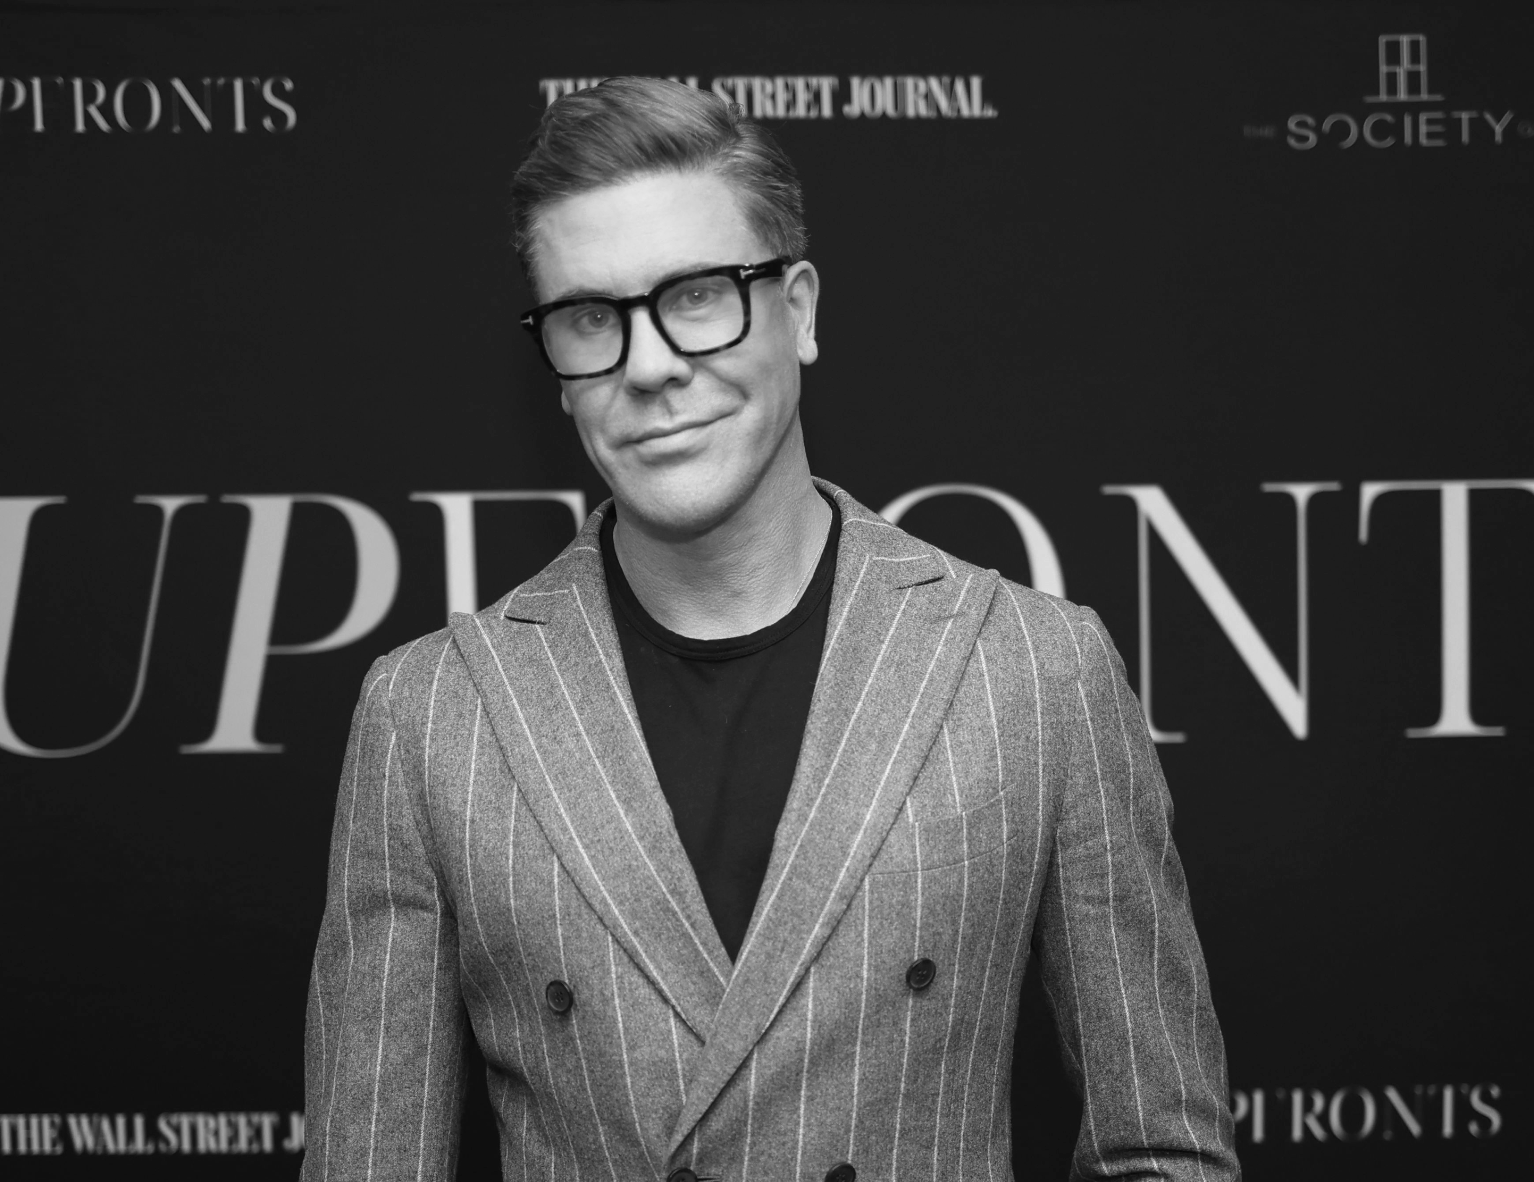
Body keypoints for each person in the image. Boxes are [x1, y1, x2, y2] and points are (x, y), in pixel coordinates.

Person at [302, 76, 1237, 1182]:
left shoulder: (1033, 669)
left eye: (699, 294)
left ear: (798, 310)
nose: (648, 365)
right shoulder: (429, 715)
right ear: (553, 367)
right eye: (591, 318)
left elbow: (1163, 1148)